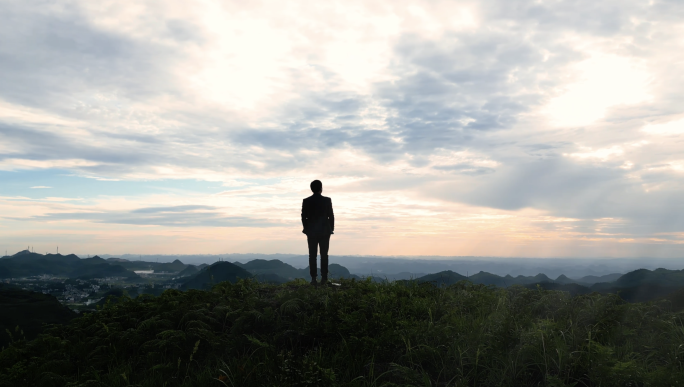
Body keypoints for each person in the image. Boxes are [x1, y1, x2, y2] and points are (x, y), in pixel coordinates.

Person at [301, 180, 334, 286]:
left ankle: (313, 279)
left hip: (311, 231)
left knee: (312, 255)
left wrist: (306, 229)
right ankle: (324, 278)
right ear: (321, 188)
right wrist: (331, 229)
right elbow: (331, 216)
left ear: (311, 189)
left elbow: (303, 217)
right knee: (324, 255)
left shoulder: (306, 201)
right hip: (325, 231)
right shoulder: (327, 200)